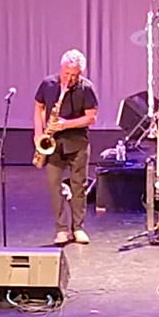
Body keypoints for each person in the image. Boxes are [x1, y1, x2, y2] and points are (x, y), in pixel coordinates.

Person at [34, 49, 98, 245]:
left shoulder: (86, 88)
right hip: (53, 144)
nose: (69, 78)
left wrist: (65, 124)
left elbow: (91, 118)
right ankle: (61, 229)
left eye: (74, 75)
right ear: (61, 68)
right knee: (54, 186)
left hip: (77, 143)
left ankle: (78, 228)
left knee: (79, 187)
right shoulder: (48, 84)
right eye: (66, 73)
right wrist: (38, 134)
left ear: (80, 73)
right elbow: (39, 107)